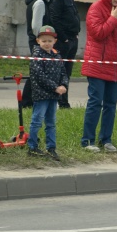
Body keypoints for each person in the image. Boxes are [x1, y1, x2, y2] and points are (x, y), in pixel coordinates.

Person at [80, 0, 117, 153]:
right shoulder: (96, 8)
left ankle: (106, 139)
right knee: (95, 103)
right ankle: (87, 140)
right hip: (97, 64)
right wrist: (113, 19)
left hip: (115, 65)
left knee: (111, 104)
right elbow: (98, 33)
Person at [27, 25, 68, 161]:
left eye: (50, 41)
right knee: (37, 121)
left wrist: (63, 85)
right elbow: (39, 76)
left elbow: (63, 72)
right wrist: (55, 87)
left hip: (53, 95)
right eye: (44, 40)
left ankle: (51, 148)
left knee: (51, 123)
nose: (47, 43)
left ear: (54, 41)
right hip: (41, 94)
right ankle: (32, 147)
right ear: (38, 41)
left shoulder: (57, 55)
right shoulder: (36, 56)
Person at [22, 0, 58, 108]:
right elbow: (36, 26)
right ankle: (26, 102)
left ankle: (30, 101)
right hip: (38, 42)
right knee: (36, 71)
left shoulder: (42, 1)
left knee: (38, 70)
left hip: (39, 41)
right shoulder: (40, 3)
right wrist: (43, 41)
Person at [50, 0, 83, 109]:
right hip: (64, 41)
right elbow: (55, 19)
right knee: (60, 72)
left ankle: (64, 102)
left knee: (67, 73)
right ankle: (60, 102)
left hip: (72, 39)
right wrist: (64, 38)